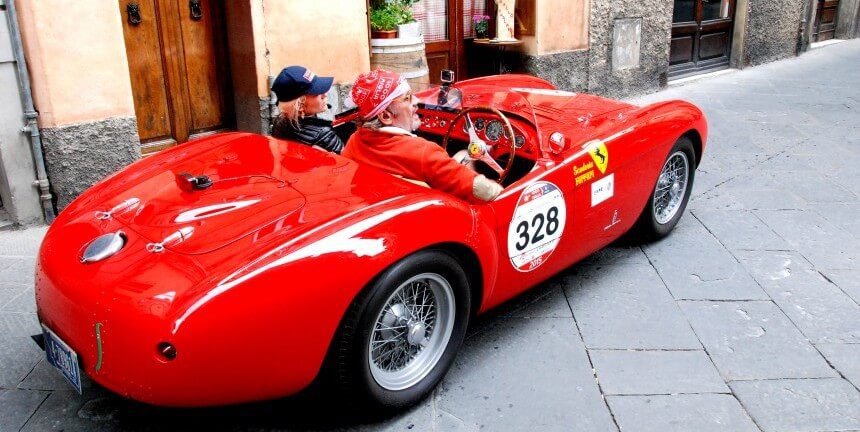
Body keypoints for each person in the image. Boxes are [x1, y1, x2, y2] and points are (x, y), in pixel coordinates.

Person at [342, 70, 503, 202]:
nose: (416, 101)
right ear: (385, 116)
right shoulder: (424, 153)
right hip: (445, 214)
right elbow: (482, 190)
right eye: (407, 98)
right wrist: (502, 192)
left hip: (384, 206)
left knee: (464, 155)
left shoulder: (353, 142)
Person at [270, 65, 344, 154]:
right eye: (317, 92)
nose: (324, 95)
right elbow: (351, 165)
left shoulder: (280, 121)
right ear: (300, 105)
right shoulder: (323, 135)